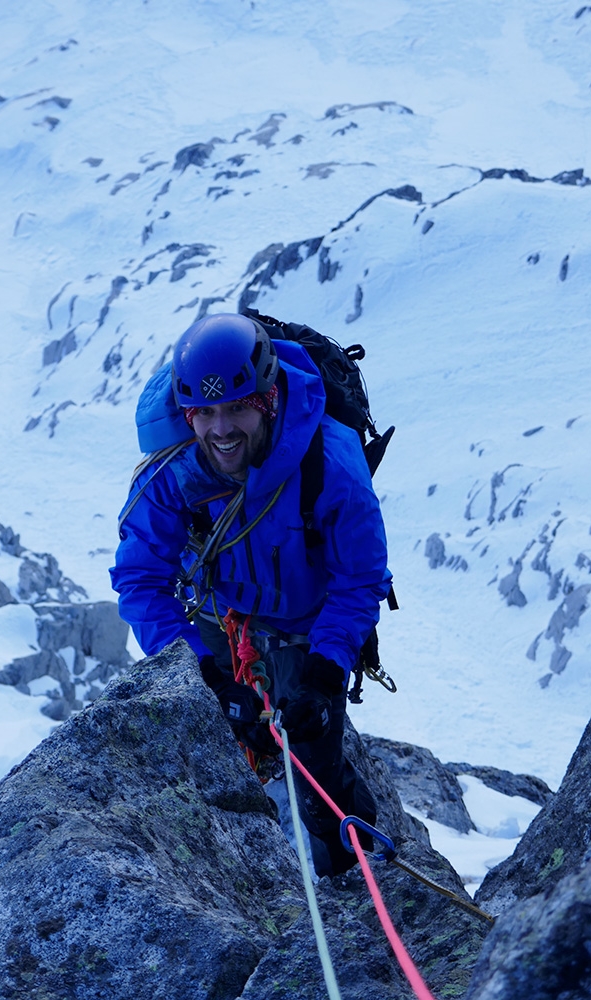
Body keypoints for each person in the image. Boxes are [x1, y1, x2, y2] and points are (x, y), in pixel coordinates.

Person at [110, 312, 393, 877]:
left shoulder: (330, 463)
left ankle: (355, 876)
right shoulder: (175, 471)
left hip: (301, 625)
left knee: (313, 756)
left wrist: (324, 673)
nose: (220, 430)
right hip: (218, 614)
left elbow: (358, 581)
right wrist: (202, 674)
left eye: (236, 407)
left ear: (266, 398)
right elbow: (141, 579)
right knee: (220, 732)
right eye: (205, 413)